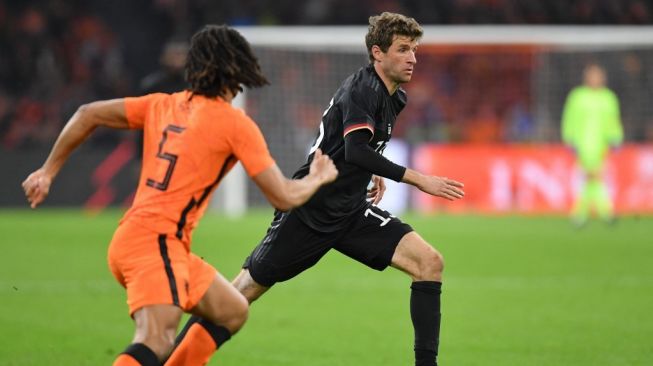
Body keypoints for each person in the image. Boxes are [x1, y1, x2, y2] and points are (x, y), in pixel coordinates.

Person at [21, 24, 338, 366]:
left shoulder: (163, 104)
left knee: (232, 310)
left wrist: (47, 171)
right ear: (237, 67)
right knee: (155, 341)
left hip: (143, 239)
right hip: (155, 244)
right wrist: (317, 178)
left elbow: (87, 114)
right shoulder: (235, 124)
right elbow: (284, 197)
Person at [171, 12, 464, 366]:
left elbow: (356, 147)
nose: (413, 58)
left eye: (414, 50)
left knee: (429, 262)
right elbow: (356, 149)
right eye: (403, 49)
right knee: (239, 295)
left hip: (352, 211)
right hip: (310, 209)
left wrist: (373, 173)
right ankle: (174, 360)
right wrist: (419, 178)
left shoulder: (393, 96)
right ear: (377, 53)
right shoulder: (362, 89)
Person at [562, 63, 624, 226]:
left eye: (598, 76)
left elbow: (614, 120)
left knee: (596, 177)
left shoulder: (608, 97)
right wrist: (569, 138)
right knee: (590, 177)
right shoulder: (577, 96)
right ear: (586, 77)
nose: (595, 79)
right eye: (592, 75)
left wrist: (616, 137)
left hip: (601, 145)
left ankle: (585, 213)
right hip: (582, 144)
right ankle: (601, 212)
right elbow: (569, 118)